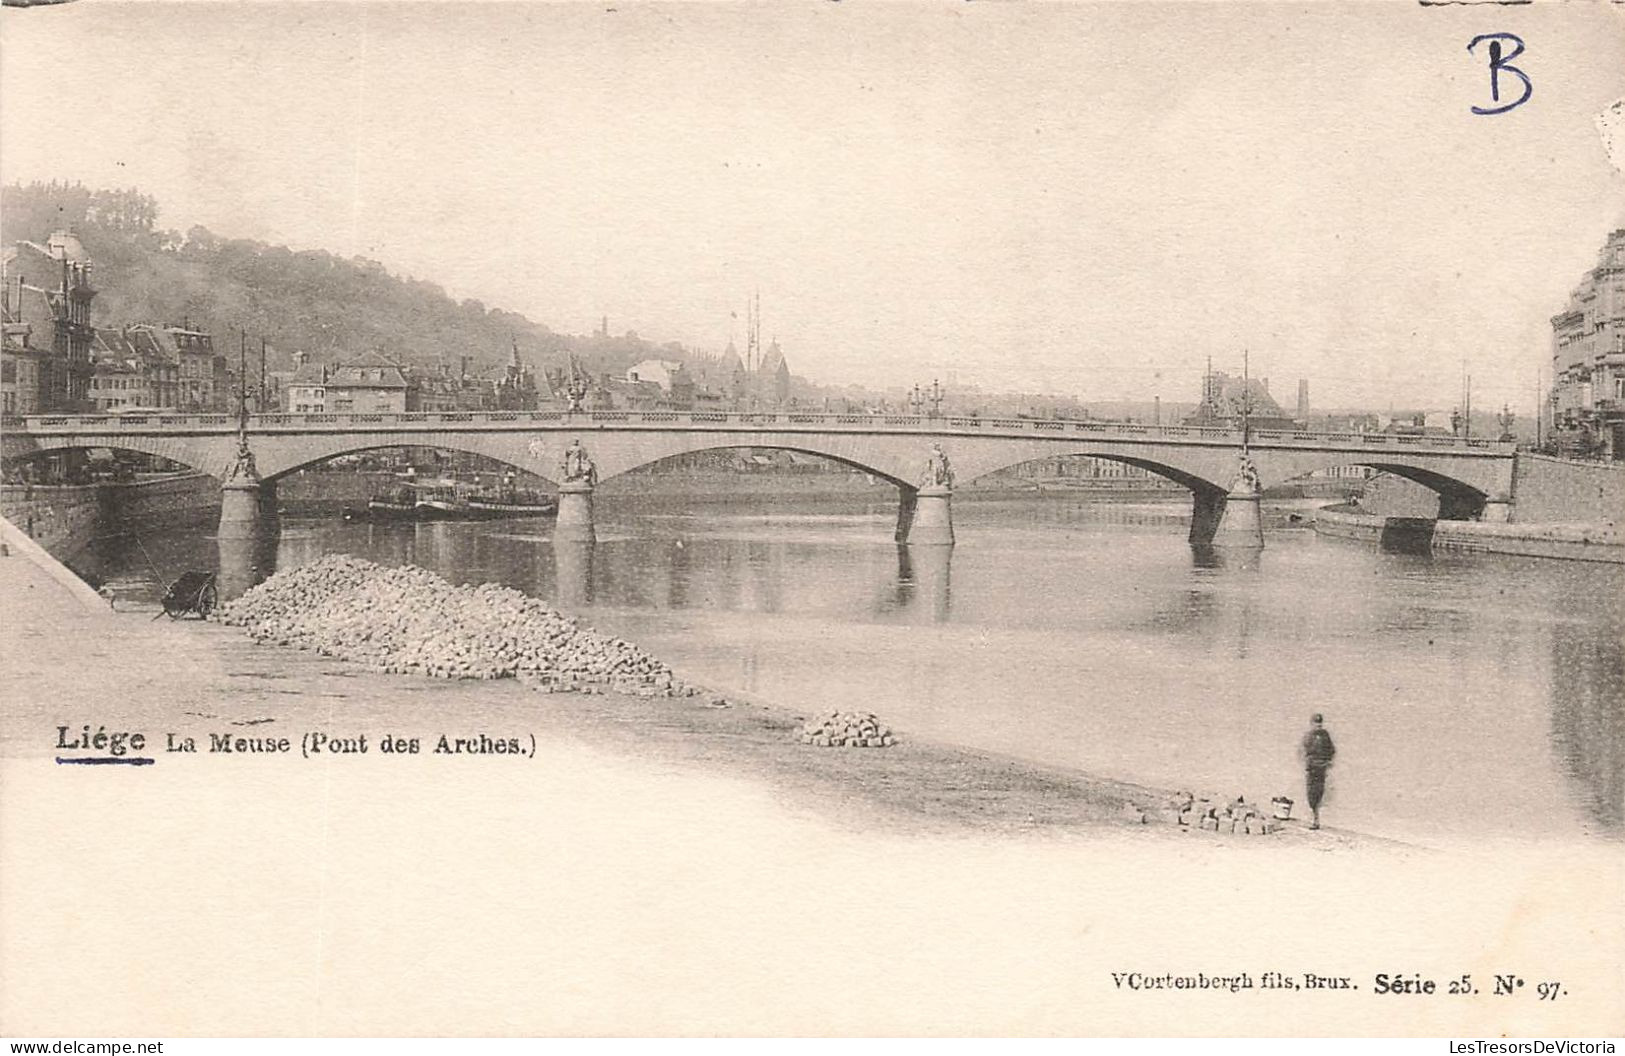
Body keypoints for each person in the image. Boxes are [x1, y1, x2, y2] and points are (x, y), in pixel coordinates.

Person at [1300, 713, 1336, 830]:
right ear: (1312, 724)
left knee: (1319, 793)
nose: (1318, 726)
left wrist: (1328, 761)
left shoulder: (1325, 736)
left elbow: (1331, 750)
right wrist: (1307, 761)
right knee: (1311, 794)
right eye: (1316, 724)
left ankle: (1316, 820)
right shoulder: (1308, 736)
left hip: (1321, 768)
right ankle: (1314, 819)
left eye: (1320, 724)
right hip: (1312, 768)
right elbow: (1303, 751)